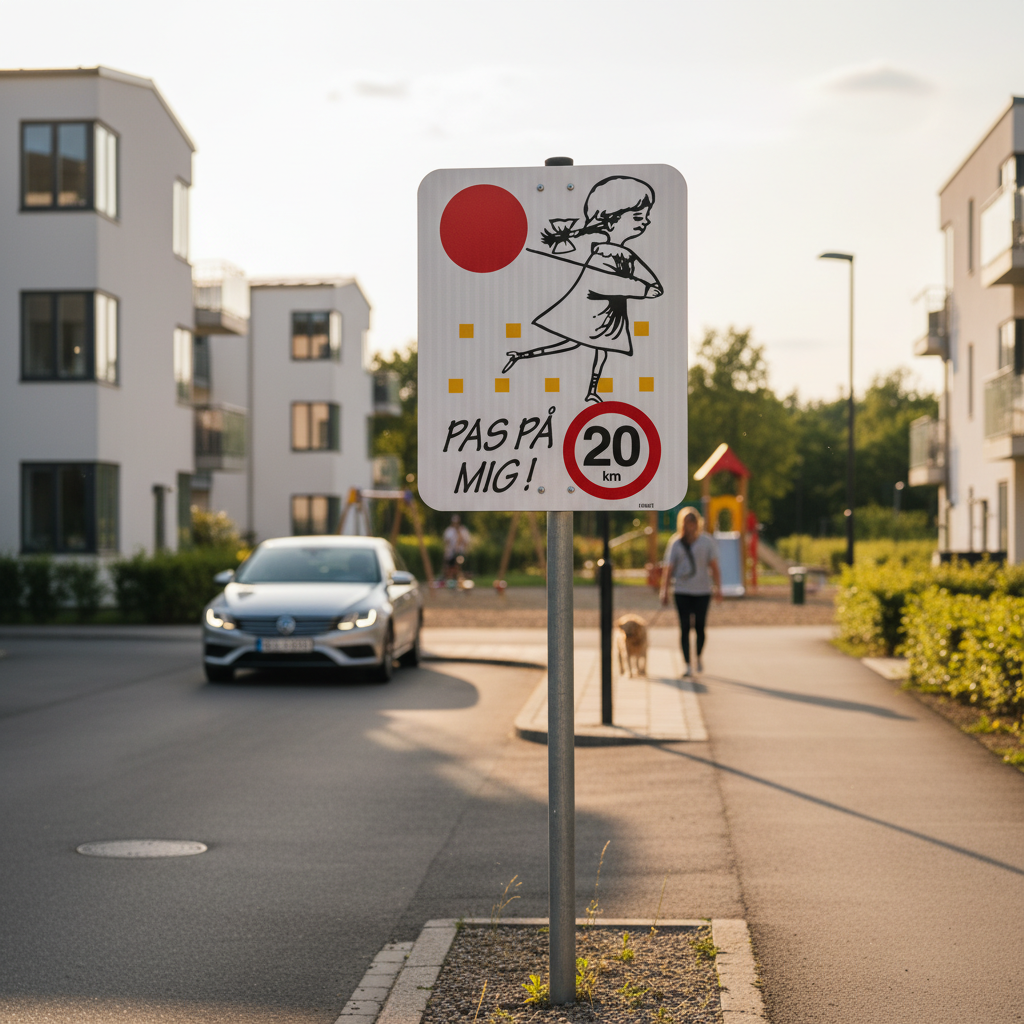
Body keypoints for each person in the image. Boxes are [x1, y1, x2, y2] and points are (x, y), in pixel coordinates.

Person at [502, 175, 663, 405]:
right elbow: (605, 285)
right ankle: (522, 356)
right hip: (592, 310)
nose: (646, 221)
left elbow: (646, 274)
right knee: (576, 345)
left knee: (596, 349)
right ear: (610, 220)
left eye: (646, 216)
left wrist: (652, 285)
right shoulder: (603, 254)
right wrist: (643, 290)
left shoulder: (626, 254)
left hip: (610, 313)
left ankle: (588, 390)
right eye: (639, 216)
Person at [660, 507, 721, 678]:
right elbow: (668, 568)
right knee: (685, 627)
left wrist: (718, 588)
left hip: (702, 590)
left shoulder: (706, 542)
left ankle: (699, 656)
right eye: (687, 523)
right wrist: (664, 591)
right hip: (682, 590)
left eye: (692, 522)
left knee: (700, 627)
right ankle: (687, 664)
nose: (690, 526)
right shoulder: (676, 543)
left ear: (697, 523)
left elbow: (715, 567)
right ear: (683, 524)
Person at [442, 515, 471, 584]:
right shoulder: (449, 530)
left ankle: (460, 580)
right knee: (450, 567)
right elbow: (446, 542)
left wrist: (459, 533)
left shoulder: (463, 530)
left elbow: (465, 542)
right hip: (451, 553)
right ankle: (450, 580)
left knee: (459, 566)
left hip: (460, 552)